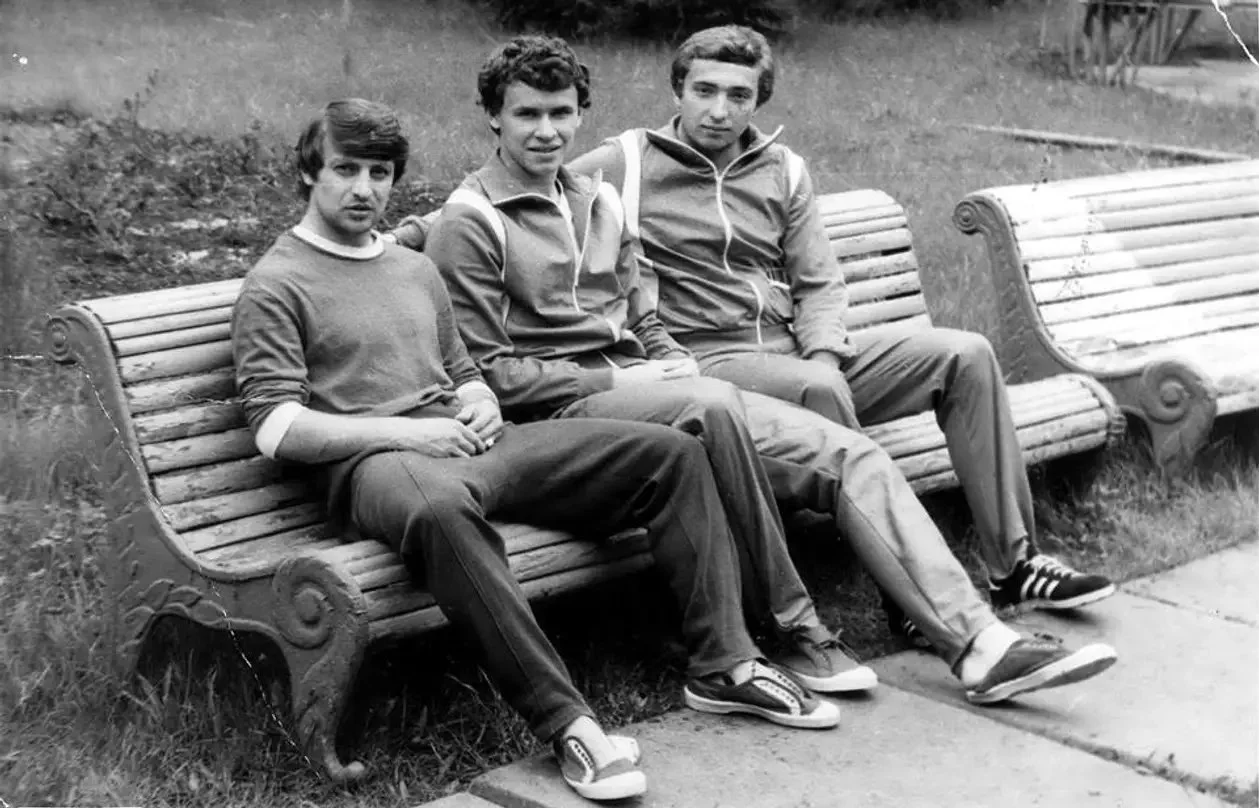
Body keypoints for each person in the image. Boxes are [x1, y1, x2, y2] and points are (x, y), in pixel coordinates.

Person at [416, 36, 1118, 711]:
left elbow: (640, 312)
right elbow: (494, 375)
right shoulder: (479, 218)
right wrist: (634, 381)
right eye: (527, 114)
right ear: (493, 117)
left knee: (852, 456)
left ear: (580, 115)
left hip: (674, 386)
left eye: (561, 113)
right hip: (577, 416)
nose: (546, 131)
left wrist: (664, 355)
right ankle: (793, 627)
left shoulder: (597, 199)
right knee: (723, 404)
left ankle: (982, 643)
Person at [230, 98, 841, 804]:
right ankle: (569, 723)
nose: (364, 188)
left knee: (671, 454)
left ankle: (724, 663)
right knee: (440, 509)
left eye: (379, 173)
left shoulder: (411, 268)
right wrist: (412, 433)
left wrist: (480, 400)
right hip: (376, 466)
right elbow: (277, 428)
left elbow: (462, 369)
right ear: (309, 174)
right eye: (345, 170)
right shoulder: (278, 281)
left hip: (471, 444)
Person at [567, 25, 1116, 645]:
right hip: (709, 360)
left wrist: (824, 352)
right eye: (704, 91)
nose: (719, 111)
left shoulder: (782, 168)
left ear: (758, 101)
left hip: (797, 349)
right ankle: (908, 594)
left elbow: (819, 282)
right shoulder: (628, 161)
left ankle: (1014, 565)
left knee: (965, 355)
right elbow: (532, 180)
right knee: (818, 388)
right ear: (677, 90)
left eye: (738, 96)